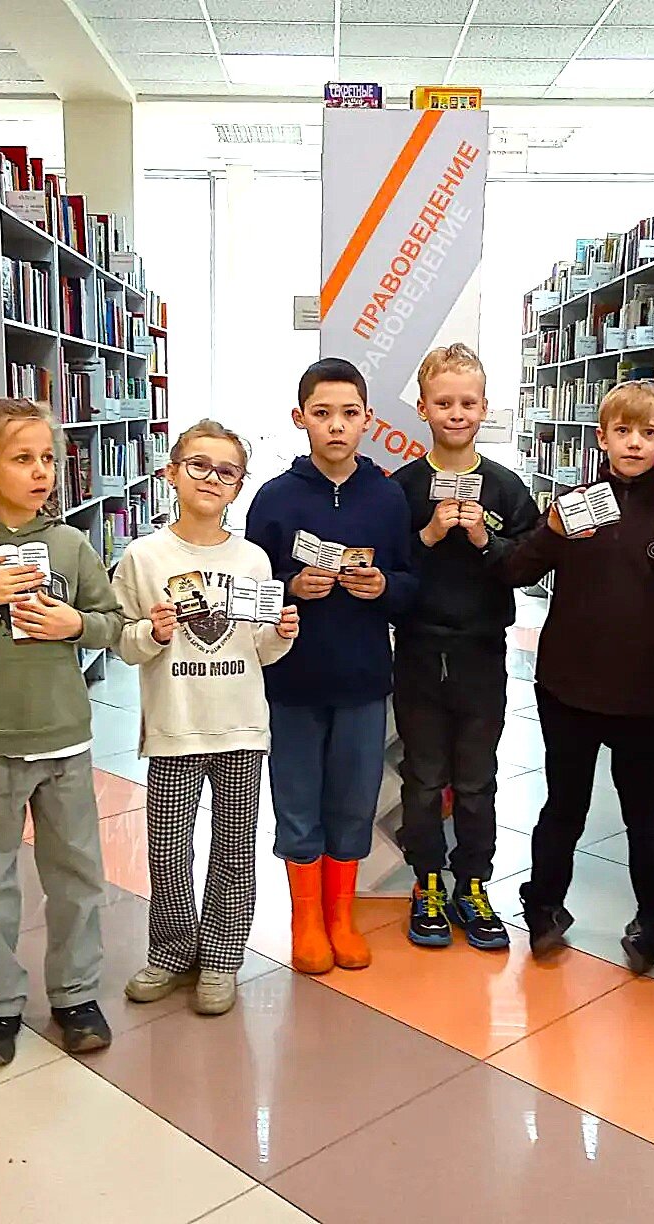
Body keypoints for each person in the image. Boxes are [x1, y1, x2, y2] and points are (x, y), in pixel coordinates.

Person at [0, 398, 126, 1066]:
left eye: (47, 459)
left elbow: (114, 623)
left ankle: (76, 995)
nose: (41, 472)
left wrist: (77, 625)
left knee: (76, 877)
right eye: (22, 458)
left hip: (65, 741)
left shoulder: (70, 544)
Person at [506, 381, 654, 970]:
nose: (635, 443)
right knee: (563, 805)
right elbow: (517, 572)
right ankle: (543, 907)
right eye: (623, 431)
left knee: (645, 813)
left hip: (642, 692)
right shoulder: (575, 503)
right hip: (567, 685)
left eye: (649, 433)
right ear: (601, 437)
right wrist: (551, 531)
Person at [111, 420, 299, 1016]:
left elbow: (262, 649)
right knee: (167, 851)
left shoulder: (252, 559)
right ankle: (171, 950)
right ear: (171, 472)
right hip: (175, 725)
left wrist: (282, 633)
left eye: (227, 472)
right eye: (198, 465)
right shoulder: (143, 557)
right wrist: (151, 632)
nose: (212, 479)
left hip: (241, 724)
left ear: (239, 486)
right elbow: (123, 643)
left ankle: (221, 957)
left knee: (235, 848)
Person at [244, 357, 417, 975]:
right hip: (291, 681)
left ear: (367, 419)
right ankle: (306, 918)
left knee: (353, 797)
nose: (336, 426)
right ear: (301, 419)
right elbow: (250, 589)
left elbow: (409, 582)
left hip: (363, 678)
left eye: (348, 414)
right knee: (296, 798)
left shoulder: (387, 496)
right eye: (322, 414)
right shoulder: (274, 498)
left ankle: (342, 916)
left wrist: (384, 586)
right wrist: (290, 586)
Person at [390, 343, 539, 951]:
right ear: (423, 408)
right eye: (444, 402)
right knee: (424, 777)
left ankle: (473, 883)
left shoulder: (505, 488)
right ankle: (426, 880)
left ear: (485, 407)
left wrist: (483, 539)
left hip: (481, 653)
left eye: (468, 403)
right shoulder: (401, 488)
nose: (457, 413)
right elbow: (388, 570)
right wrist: (428, 534)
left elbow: (527, 565)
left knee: (477, 780)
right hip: (419, 652)